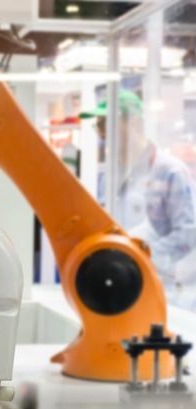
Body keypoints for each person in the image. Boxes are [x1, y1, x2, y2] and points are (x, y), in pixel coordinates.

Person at [83, 89, 196, 307]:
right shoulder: (109, 176)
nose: (101, 133)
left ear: (133, 122)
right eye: (98, 125)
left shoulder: (170, 172)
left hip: (165, 294)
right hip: (120, 288)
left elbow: (188, 234)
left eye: (106, 123)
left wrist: (139, 252)